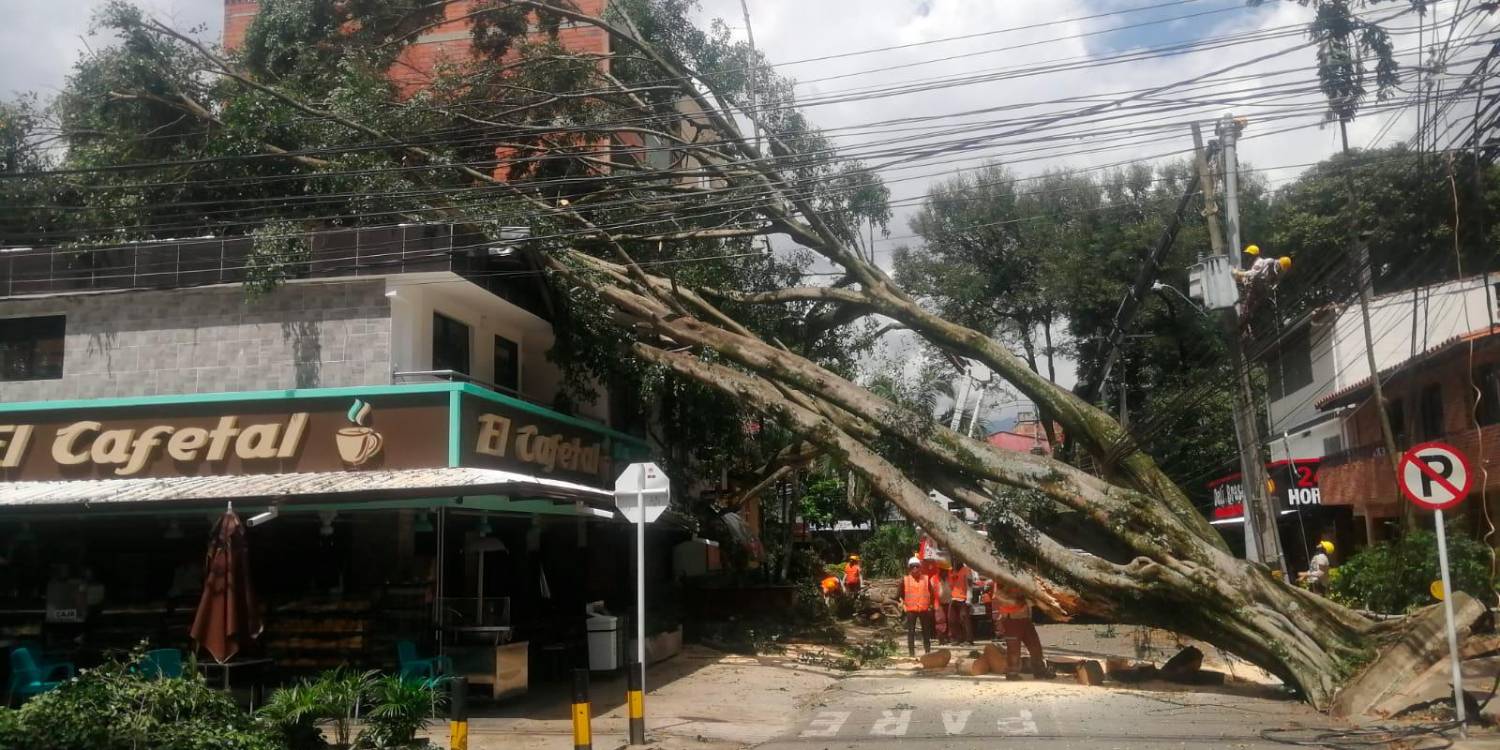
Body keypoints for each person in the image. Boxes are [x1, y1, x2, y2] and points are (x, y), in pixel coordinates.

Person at [988, 579, 1051, 678]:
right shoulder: (1002, 580)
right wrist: (1017, 601)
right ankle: (1012, 672)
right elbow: (999, 595)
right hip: (1011, 619)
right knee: (1014, 649)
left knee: (1035, 646)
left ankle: (1039, 670)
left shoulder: (1020, 579)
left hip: (1025, 618)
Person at [902, 557, 938, 657]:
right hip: (911, 610)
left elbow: (932, 593)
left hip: (924, 609)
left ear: (920, 567)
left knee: (926, 631)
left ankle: (927, 652)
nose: (915, 568)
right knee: (911, 632)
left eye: (917, 566)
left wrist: (930, 605)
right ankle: (911, 654)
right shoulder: (905, 580)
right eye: (913, 566)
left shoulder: (926, 579)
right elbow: (899, 594)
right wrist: (902, 604)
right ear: (909, 568)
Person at [947, 561, 976, 645]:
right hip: (953, 598)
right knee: (952, 620)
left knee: (964, 620)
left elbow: (969, 586)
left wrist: (969, 599)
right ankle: (958, 638)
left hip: (963, 599)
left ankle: (969, 639)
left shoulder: (967, 570)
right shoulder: (951, 571)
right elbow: (950, 585)